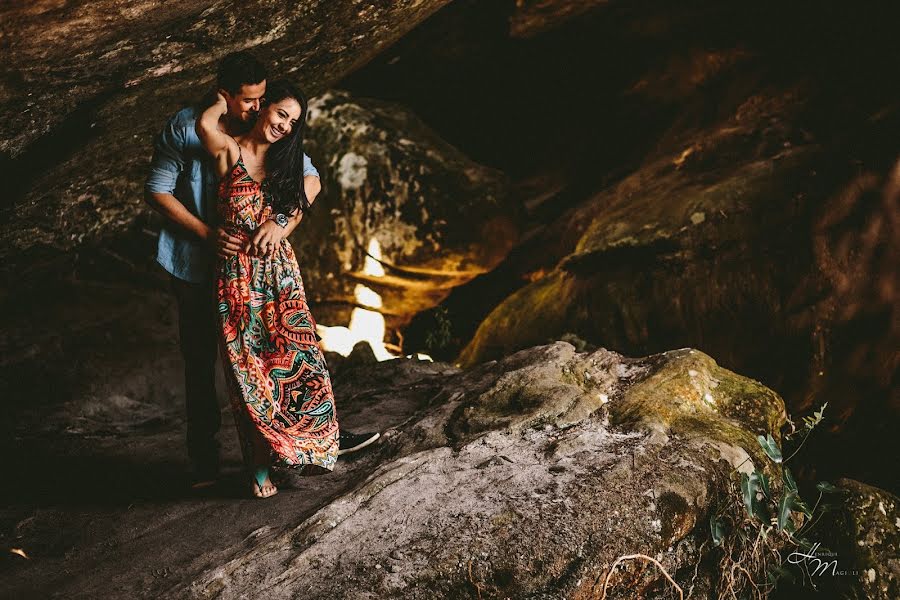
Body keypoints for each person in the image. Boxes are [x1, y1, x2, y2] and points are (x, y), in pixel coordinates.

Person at [144, 53, 377, 492]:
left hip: (267, 270)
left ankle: (307, 440)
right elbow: (156, 190)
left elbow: (311, 181)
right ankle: (204, 462)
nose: (257, 108)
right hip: (197, 262)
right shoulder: (190, 128)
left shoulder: (279, 141)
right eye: (250, 101)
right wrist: (207, 234)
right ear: (226, 96)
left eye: (262, 100)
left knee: (284, 354)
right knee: (204, 362)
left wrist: (283, 222)